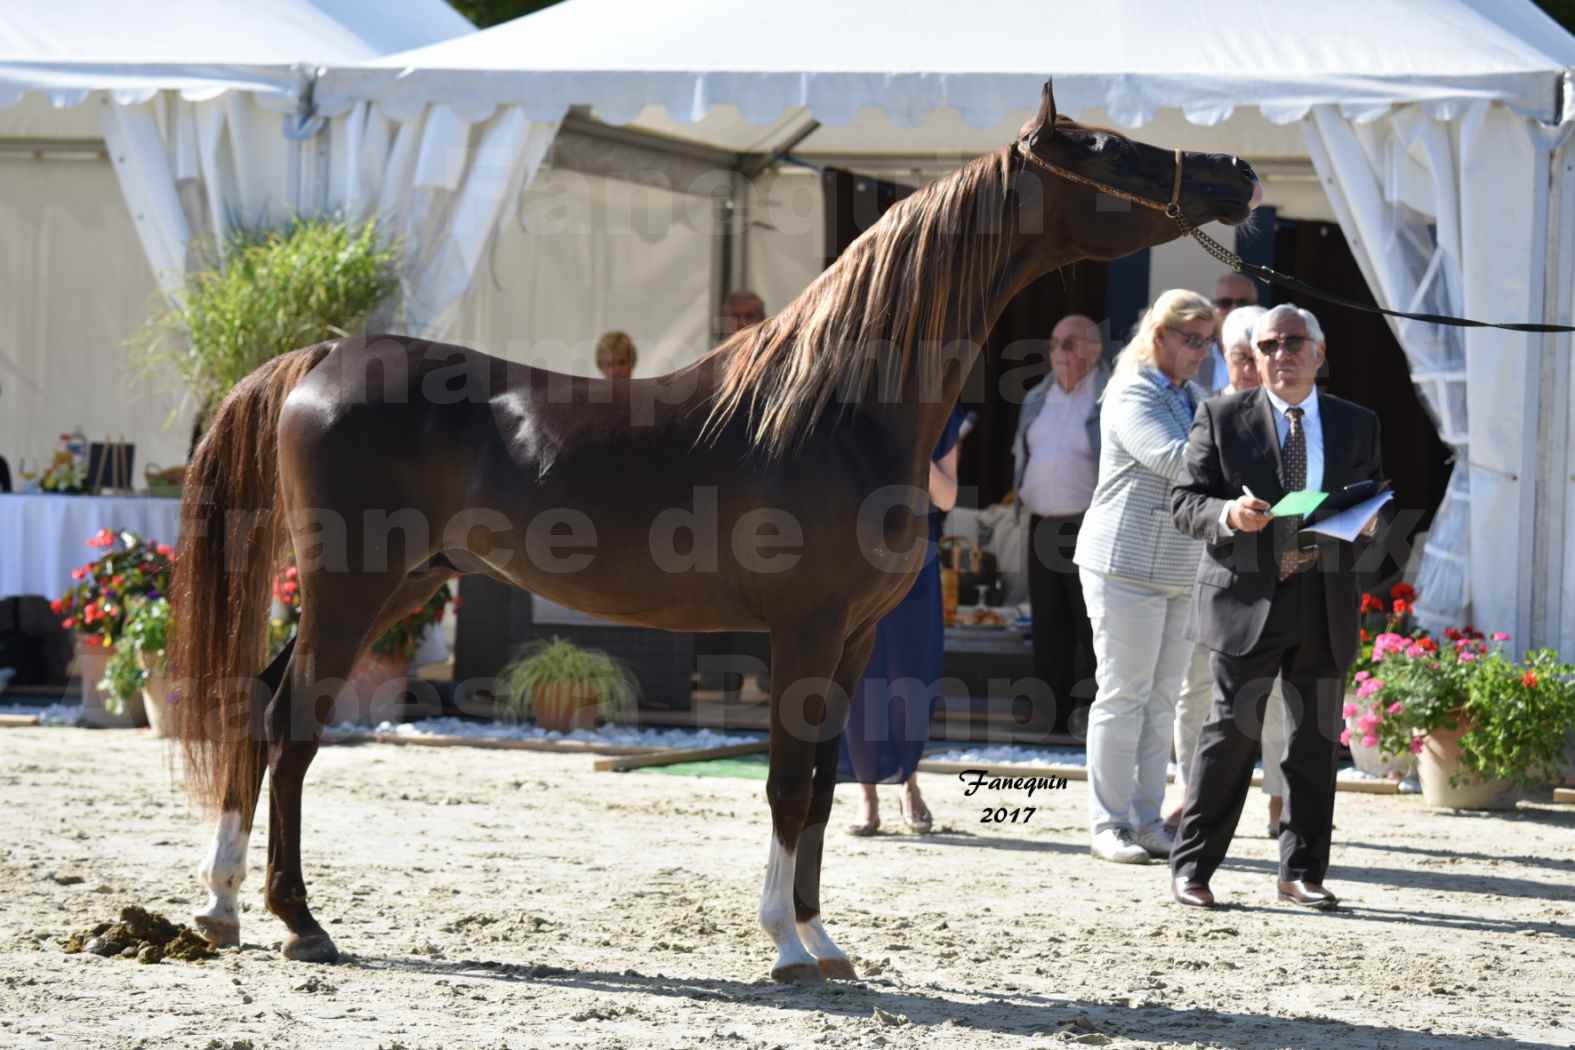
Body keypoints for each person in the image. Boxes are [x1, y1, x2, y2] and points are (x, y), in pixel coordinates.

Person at [1169, 304, 1386, 912]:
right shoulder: (1220, 416)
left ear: (1319, 353)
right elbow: (1185, 503)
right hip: (1247, 599)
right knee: (1229, 736)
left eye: (1294, 343)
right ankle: (1193, 868)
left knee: (1314, 741)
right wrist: (1228, 516)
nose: (1281, 354)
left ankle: (1302, 871)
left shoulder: (1356, 422)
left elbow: (1376, 498)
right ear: (1254, 356)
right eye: (1268, 345)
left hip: (1324, 597)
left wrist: (1366, 523)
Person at [1072, 290, 1215, 864]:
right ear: (1160, 336)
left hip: (1181, 566)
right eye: (1192, 339)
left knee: (1161, 700)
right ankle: (1108, 823)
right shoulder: (1132, 389)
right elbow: (1177, 461)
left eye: (1207, 341)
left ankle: (1149, 818)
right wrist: (1245, 460)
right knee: (1123, 695)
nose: (1202, 352)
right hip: (1123, 564)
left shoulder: (1196, 394)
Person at [1168, 305, 1289, 840]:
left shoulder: (1288, 418)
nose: (1246, 369)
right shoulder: (1210, 410)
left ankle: (1278, 797)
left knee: (1279, 696)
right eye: (1237, 357)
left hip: (1274, 574)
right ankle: (1193, 790)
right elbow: (1186, 495)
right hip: (1210, 570)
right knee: (1196, 687)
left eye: (1254, 357)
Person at [840, 406, 965, 836]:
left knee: (911, 673)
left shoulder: (941, 413)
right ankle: (866, 793)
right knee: (860, 675)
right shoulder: (854, 410)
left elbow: (947, 496)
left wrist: (914, 453)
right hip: (859, 557)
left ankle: (908, 781)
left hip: (916, 560)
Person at [1011, 315, 1107, 732]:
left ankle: (1090, 711)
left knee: (1090, 624)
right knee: (1047, 622)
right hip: (1041, 525)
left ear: (1094, 349)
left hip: (1088, 524)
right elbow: (1023, 454)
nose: (1060, 353)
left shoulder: (1109, 397)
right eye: (1054, 345)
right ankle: (1049, 711)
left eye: (1070, 344)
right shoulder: (1037, 397)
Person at [1194, 272, 1259, 393]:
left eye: (1242, 303)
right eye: (1225, 303)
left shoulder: (1267, 354)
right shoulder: (1195, 355)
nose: (1234, 309)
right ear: (1212, 308)